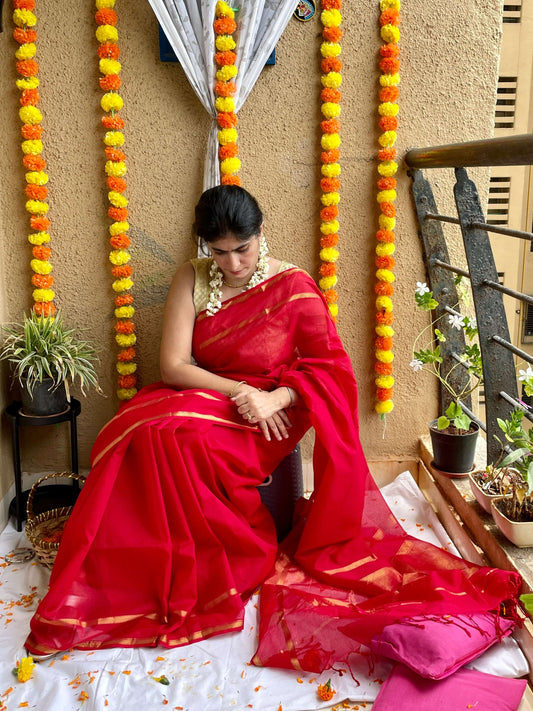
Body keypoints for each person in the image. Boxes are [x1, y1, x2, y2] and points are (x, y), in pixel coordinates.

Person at [25, 185, 520, 671]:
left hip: (277, 408)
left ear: (261, 234)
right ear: (206, 248)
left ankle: (212, 566)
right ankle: (135, 575)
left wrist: (272, 397)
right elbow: (174, 366)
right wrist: (239, 393)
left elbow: (329, 368)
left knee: (181, 439)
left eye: (243, 249)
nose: (234, 264)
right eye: (220, 253)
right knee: (138, 433)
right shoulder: (191, 278)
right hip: (210, 394)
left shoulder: (293, 285)